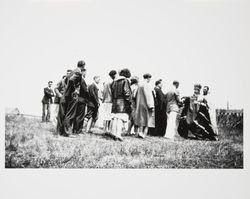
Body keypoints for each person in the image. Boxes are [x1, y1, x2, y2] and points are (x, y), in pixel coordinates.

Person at [58, 60, 86, 136]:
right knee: (70, 114)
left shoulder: (72, 71)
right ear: (83, 65)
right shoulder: (78, 72)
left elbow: (67, 79)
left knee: (66, 114)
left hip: (67, 95)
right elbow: (71, 80)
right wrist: (75, 90)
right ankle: (67, 132)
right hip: (72, 96)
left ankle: (63, 132)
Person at [110, 68, 132, 141]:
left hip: (115, 102)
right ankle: (118, 135)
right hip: (122, 102)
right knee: (120, 119)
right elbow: (127, 92)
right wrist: (129, 101)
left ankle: (114, 134)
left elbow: (112, 92)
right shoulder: (125, 81)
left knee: (115, 118)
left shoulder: (114, 82)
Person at [134, 73, 155, 139]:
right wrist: (151, 106)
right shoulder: (147, 85)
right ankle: (143, 134)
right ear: (148, 78)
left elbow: (134, 95)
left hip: (139, 104)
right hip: (146, 104)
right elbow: (148, 96)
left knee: (140, 119)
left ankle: (139, 132)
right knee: (147, 120)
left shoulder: (139, 85)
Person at [72, 69, 89, 134]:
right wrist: (88, 97)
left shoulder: (78, 80)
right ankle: (78, 130)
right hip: (82, 100)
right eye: (85, 73)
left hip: (78, 99)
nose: (85, 74)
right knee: (80, 116)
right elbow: (85, 91)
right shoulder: (82, 80)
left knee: (76, 115)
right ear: (82, 72)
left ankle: (74, 130)